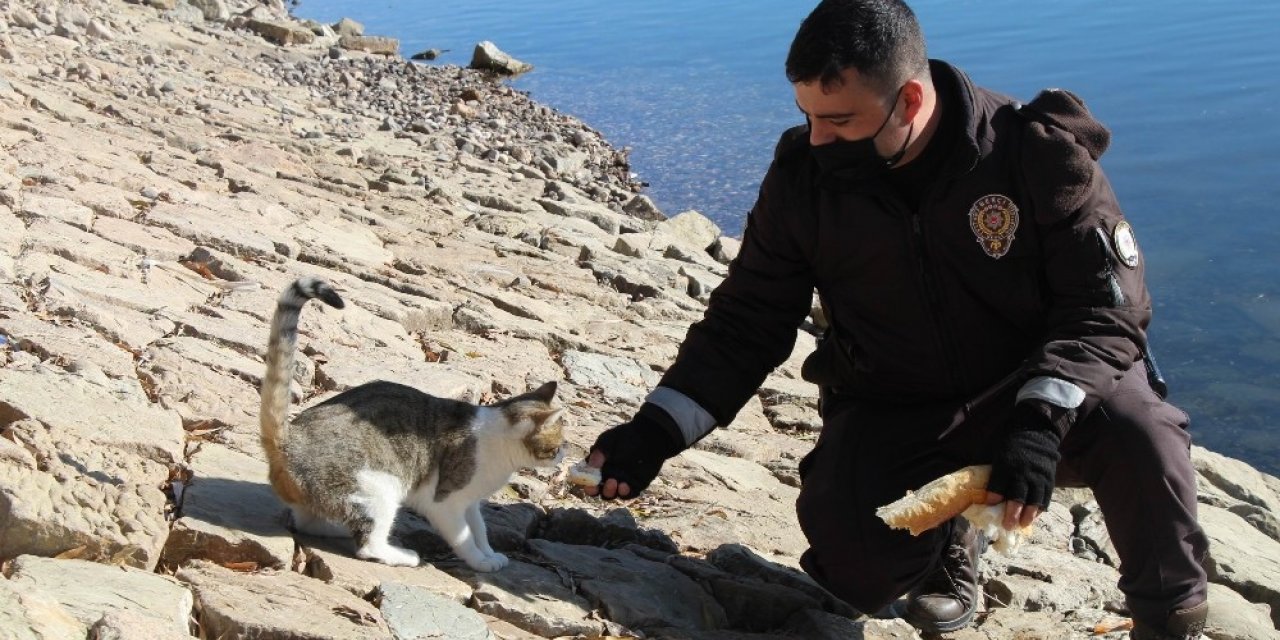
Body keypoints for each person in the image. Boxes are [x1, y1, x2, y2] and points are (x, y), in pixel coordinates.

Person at [582, 0, 1209, 637]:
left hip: (1041, 389)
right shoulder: (804, 180)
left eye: (840, 120)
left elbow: (1107, 309)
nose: (818, 139)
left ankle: (1169, 617)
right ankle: (947, 546)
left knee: (1142, 432)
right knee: (854, 570)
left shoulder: (1033, 153)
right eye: (808, 116)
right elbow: (748, 319)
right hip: (899, 401)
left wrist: (1040, 420)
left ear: (909, 100)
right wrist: (655, 432)